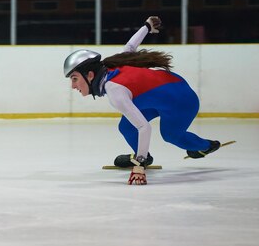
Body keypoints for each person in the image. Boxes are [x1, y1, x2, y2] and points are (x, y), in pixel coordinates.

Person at [63, 16, 220, 185]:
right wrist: (147, 26)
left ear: (90, 75)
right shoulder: (113, 65)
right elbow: (130, 47)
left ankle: (206, 146)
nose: (73, 86)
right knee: (126, 126)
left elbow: (144, 128)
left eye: (74, 79)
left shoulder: (114, 91)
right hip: (165, 93)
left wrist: (140, 165)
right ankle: (145, 155)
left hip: (182, 101)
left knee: (170, 135)